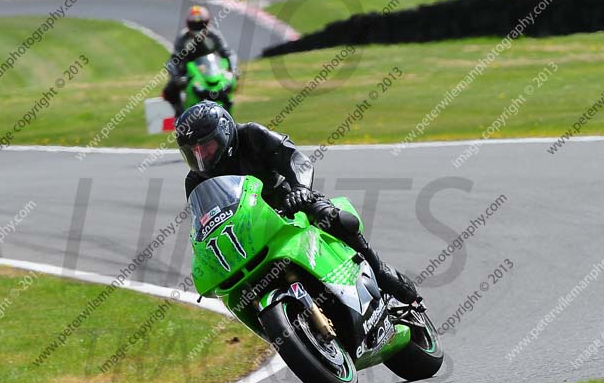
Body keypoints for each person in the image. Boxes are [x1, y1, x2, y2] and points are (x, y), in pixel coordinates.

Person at [176, 100, 422, 310]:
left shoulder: (251, 135)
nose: (201, 157)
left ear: (224, 133)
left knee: (329, 217)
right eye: (193, 152)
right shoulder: (195, 180)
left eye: (206, 148)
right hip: (248, 232)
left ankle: (381, 272)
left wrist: (301, 191)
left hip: (288, 203)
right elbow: (204, 223)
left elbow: (297, 160)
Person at [163, 5, 238, 117]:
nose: (197, 28)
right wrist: (177, 77)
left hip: (212, 70)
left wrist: (233, 69)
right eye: (194, 24)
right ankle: (180, 113)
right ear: (188, 24)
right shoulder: (183, 37)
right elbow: (173, 59)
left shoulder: (213, 35)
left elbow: (228, 52)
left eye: (200, 24)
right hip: (189, 71)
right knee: (169, 90)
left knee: (229, 83)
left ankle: (226, 108)